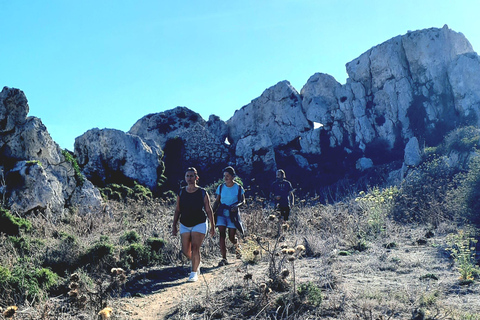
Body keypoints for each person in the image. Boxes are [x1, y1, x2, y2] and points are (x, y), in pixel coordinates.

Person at [172, 167, 215, 282]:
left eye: (192, 176)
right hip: (185, 223)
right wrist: (174, 225)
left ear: (196, 178)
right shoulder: (181, 191)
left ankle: (194, 272)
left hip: (199, 223)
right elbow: (177, 210)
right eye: (187, 176)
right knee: (186, 251)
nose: (189, 178)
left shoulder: (202, 192)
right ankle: (197, 262)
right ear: (185, 178)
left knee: (195, 248)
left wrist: (212, 226)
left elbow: (208, 209)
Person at [212, 166, 245, 266]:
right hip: (222, 212)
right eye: (224, 176)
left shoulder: (238, 188)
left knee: (231, 237)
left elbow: (243, 201)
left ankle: (237, 246)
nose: (225, 178)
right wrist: (212, 213)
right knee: (222, 234)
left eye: (228, 176)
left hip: (233, 213)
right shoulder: (221, 187)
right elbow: (217, 201)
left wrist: (237, 206)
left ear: (233, 177)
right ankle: (224, 258)